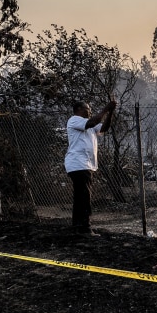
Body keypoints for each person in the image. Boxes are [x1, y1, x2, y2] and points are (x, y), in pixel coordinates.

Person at [64, 99, 116, 236]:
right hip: (78, 163)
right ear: (79, 110)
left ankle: (78, 227)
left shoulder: (89, 125)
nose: (90, 111)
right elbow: (93, 121)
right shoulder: (74, 120)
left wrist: (110, 112)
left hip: (84, 164)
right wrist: (106, 109)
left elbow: (104, 128)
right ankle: (85, 228)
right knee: (84, 196)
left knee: (80, 196)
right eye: (87, 109)